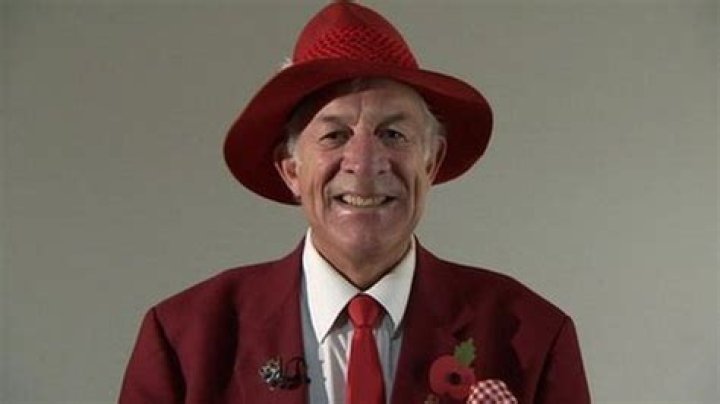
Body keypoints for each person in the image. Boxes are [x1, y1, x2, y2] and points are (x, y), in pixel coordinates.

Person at [120, 2, 590, 403]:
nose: (365, 164)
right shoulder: (185, 338)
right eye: (334, 135)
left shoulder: (529, 334)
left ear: (431, 162)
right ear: (291, 170)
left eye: (393, 133)